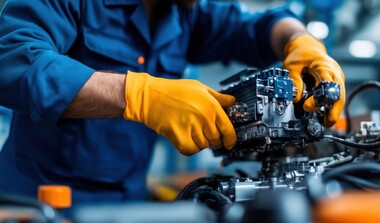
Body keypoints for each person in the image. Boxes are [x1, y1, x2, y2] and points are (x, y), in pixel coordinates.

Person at [0, 0, 345, 204]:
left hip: (127, 204)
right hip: (36, 204)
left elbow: (258, 26)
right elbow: (13, 59)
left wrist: (301, 41)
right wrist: (135, 94)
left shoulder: (184, 12)